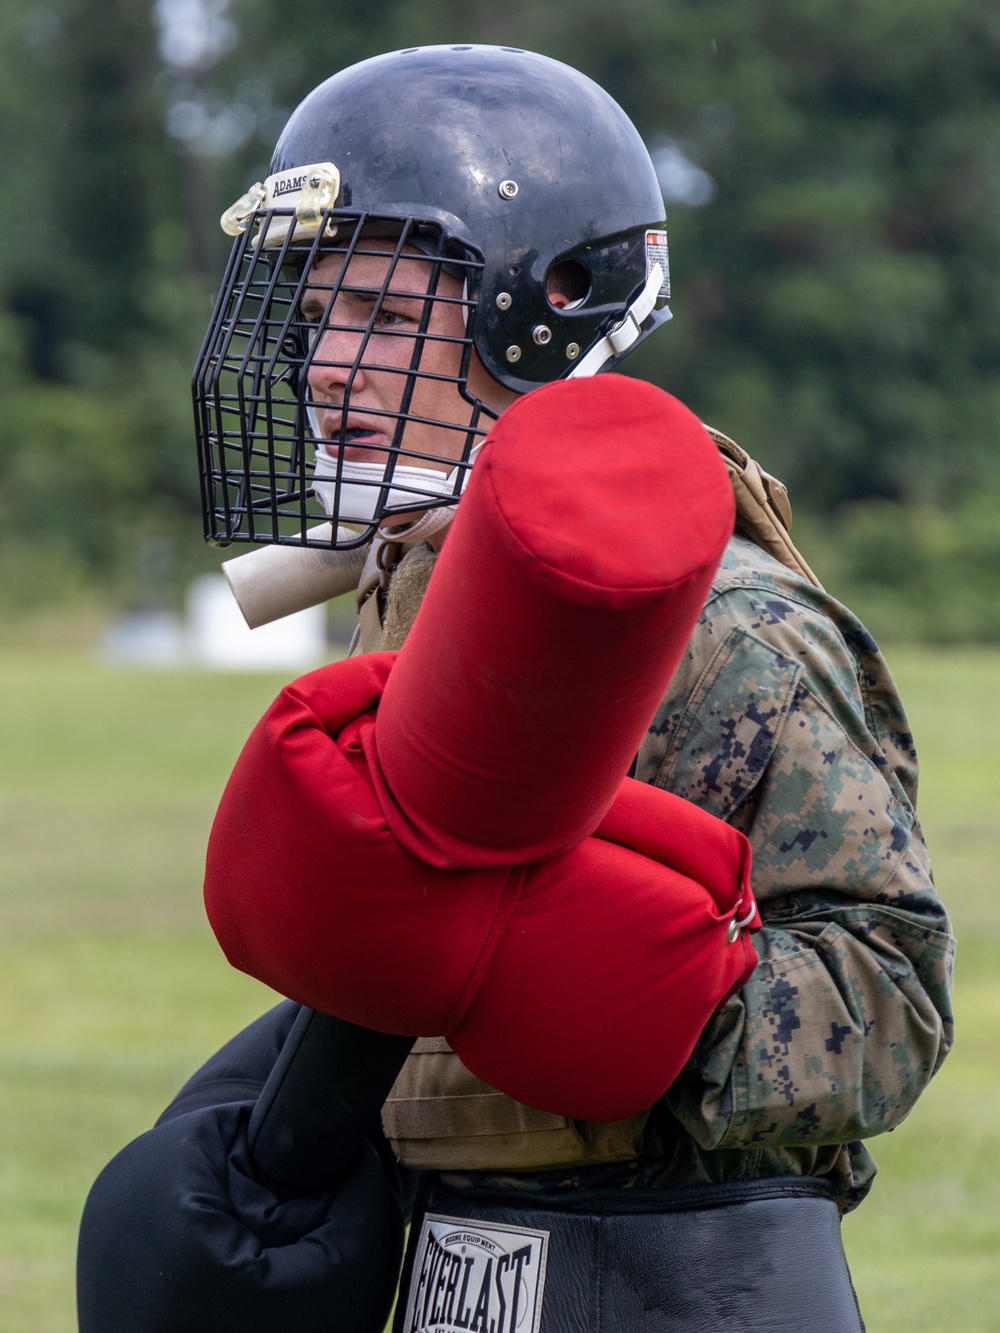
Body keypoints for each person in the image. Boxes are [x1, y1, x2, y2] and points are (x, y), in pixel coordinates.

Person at [79, 45, 954, 1333]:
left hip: (683, 1277)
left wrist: (637, 1002)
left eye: (380, 317)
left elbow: (891, 1001)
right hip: (468, 1267)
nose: (328, 364)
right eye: (321, 315)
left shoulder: (731, 627)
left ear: (544, 305)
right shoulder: (412, 571)